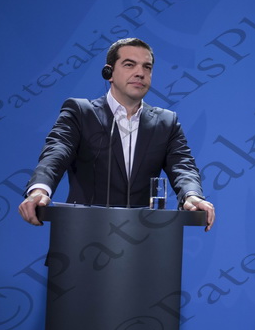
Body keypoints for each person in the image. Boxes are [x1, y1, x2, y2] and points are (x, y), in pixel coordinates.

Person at [19, 38, 215, 229]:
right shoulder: (80, 112)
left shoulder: (166, 122)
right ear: (109, 73)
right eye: (129, 65)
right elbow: (56, 153)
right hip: (82, 234)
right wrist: (39, 190)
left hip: (143, 238)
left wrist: (192, 195)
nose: (140, 73)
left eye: (147, 67)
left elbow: (183, 166)